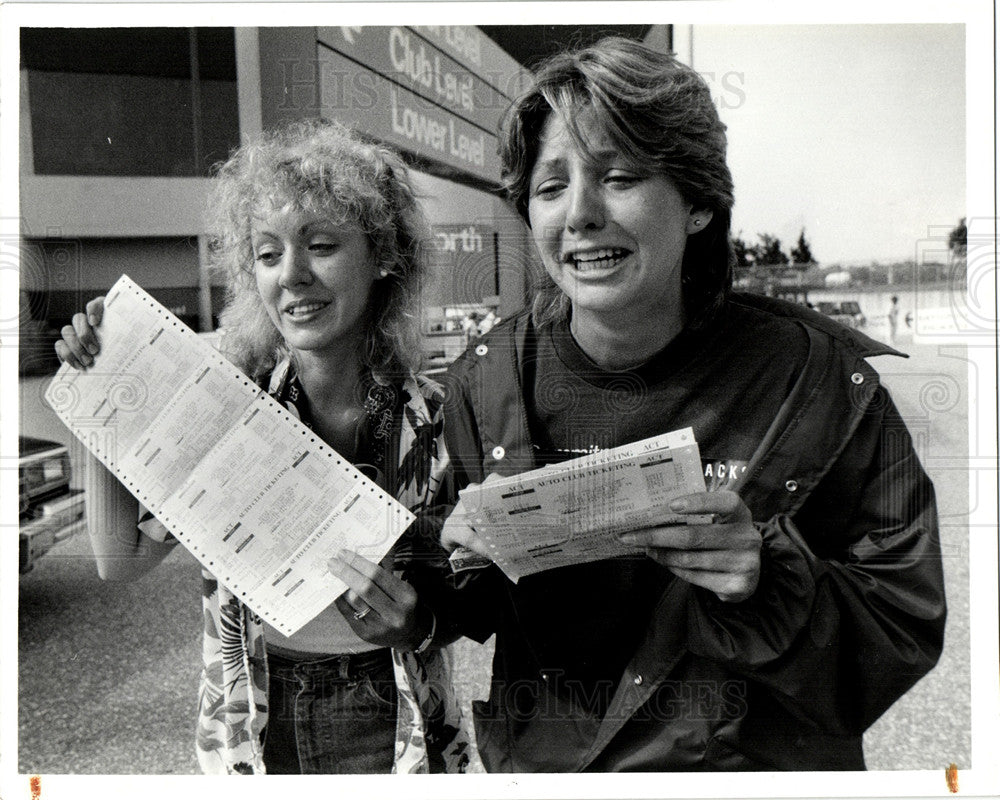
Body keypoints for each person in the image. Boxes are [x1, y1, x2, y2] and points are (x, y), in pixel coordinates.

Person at [439, 37, 945, 772]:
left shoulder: (820, 384)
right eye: (550, 188)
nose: (579, 214)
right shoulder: (487, 378)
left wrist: (767, 579)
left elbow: (904, 624)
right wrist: (450, 565)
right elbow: (466, 605)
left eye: (618, 176)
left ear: (698, 201)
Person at [55, 118, 469, 775]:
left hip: (390, 713)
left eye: (322, 244)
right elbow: (119, 561)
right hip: (256, 714)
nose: (292, 275)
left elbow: (473, 601)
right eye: (267, 253)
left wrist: (418, 619)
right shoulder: (229, 406)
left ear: (385, 255)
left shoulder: (441, 420)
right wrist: (106, 393)